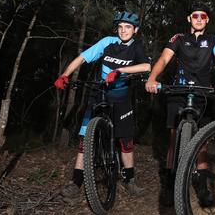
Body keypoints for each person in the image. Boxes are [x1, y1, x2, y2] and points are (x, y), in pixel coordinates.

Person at [54, 11, 151, 203]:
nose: (124, 31)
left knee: (125, 142)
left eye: (128, 27)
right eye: (121, 27)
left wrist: (119, 70)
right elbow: (82, 58)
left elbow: (147, 67)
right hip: (99, 94)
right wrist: (65, 74)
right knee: (84, 140)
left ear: (135, 30)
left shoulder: (136, 48)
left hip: (122, 97)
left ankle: (130, 180)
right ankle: (76, 182)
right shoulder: (108, 42)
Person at [144, 1, 215, 207]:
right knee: (174, 140)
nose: (199, 19)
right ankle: (170, 188)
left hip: (202, 93)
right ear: (189, 19)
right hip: (178, 91)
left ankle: (202, 190)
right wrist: (152, 78)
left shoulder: (214, 40)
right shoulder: (178, 38)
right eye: (195, 16)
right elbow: (164, 59)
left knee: (201, 143)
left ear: (207, 19)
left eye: (203, 16)